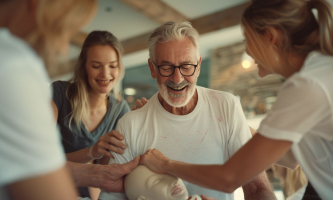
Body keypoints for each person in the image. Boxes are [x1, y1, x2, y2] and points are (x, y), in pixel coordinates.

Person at [140, 0, 333, 199]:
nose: (247, 51)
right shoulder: (327, 70)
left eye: (247, 40)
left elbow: (229, 178)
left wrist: (165, 164)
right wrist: (233, 122)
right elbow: (291, 158)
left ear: (270, 37)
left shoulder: (307, 85)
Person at [99, 21, 275, 200]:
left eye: (186, 66)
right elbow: (112, 197)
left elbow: (258, 189)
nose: (177, 78)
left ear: (198, 65)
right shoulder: (131, 125)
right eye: (166, 67)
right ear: (152, 68)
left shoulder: (226, 106)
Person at [0, 0, 96, 199]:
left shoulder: (118, 107)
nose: (62, 48)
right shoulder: (13, 67)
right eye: (65, 28)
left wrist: (90, 174)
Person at [51, 30, 131, 198]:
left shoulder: (120, 110)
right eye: (96, 66)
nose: (105, 74)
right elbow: (39, 157)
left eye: (112, 66)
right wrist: (91, 152)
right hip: (47, 187)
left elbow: (104, 170)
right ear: (84, 67)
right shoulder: (58, 94)